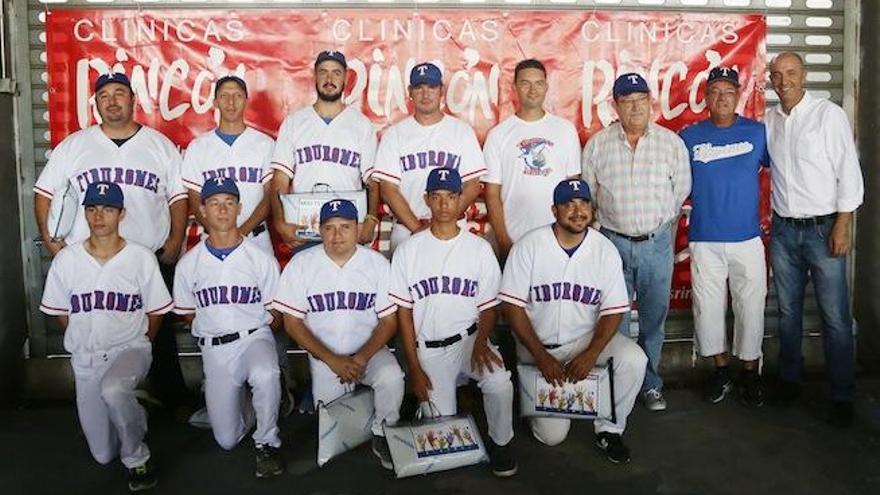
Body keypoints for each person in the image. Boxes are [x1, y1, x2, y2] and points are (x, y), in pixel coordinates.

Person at [34, 72, 192, 414]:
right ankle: (104, 400)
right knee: (95, 328)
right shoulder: (75, 145)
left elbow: (179, 196)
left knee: (158, 332)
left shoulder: (158, 144)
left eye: (120, 93)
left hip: (147, 256)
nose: (112, 100)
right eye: (104, 95)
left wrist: (176, 239)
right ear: (96, 103)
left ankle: (170, 399)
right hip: (91, 257)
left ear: (133, 100)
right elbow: (44, 193)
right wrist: (52, 243)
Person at [500, 179, 647, 464]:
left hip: (584, 340)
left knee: (633, 359)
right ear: (554, 210)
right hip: (537, 345)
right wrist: (541, 356)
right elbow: (512, 307)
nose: (578, 211)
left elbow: (614, 310)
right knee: (552, 437)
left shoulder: (604, 249)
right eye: (569, 204)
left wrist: (591, 354)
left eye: (583, 204)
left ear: (592, 209)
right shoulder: (529, 246)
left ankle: (610, 430)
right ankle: (532, 394)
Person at [40, 181, 171, 492]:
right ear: (85, 213)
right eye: (92, 208)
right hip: (86, 360)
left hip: (129, 349)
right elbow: (61, 312)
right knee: (102, 454)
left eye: (108, 209)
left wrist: (143, 344)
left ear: (121, 214)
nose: (99, 216)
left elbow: (156, 311)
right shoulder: (67, 259)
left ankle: (138, 458)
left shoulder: (140, 257)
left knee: (114, 389)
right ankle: (134, 409)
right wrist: (82, 338)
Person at [389, 167, 517, 477]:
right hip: (428, 349)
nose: (445, 204)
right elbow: (402, 313)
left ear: (461, 200)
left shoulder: (478, 248)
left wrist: (482, 341)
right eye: (437, 197)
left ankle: (501, 442)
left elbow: (489, 308)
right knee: (441, 438)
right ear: (427, 200)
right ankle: (435, 408)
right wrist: (414, 369)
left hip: (470, 338)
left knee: (499, 381)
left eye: (451, 196)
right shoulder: (408, 251)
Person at [181, 74, 294, 419]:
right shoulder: (200, 147)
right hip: (213, 245)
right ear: (214, 102)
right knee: (217, 315)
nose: (230, 102)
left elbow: (269, 196)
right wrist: (220, 232)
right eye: (224, 96)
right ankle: (220, 393)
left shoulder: (263, 144)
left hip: (255, 240)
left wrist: (240, 231)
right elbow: (193, 196)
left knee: (268, 318)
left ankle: (280, 392)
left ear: (246, 102)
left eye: (237, 96)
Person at [582, 73, 691, 411]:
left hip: (656, 244)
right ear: (615, 105)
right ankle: (618, 384)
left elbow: (681, 191)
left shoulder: (671, 143)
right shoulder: (598, 145)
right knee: (613, 318)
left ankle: (651, 385)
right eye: (626, 101)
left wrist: (657, 226)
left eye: (640, 100)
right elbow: (590, 194)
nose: (634, 107)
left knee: (653, 319)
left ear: (650, 102)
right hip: (612, 243)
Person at [766, 52, 864, 426]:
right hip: (784, 230)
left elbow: (848, 174)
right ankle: (790, 380)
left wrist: (843, 224)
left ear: (804, 75)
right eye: (776, 74)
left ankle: (841, 395)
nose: (783, 80)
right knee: (788, 312)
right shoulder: (770, 120)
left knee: (836, 316)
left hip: (823, 230)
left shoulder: (828, 115)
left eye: (791, 73)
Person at [274, 199, 404, 470]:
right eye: (329, 228)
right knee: (333, 434)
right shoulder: (301, 264)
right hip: (325, 355)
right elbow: (292, 324)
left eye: (345, 227)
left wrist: (361, 358)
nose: (337, 235)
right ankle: (362, 410)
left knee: (392, 377)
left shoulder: (377, 263)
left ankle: (383, 432)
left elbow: (389, 321)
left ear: (358, 229)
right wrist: (333, 360)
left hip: (369, 351)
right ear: (319, 230)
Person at [172, 178, 284, 478]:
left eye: (229, 203)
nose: (222, 210)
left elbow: (276, 314)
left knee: (266, 373)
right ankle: (246, 404)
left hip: (254, 337)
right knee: (226, 440)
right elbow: (185, 314)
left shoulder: (260, 259)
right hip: (215, 348)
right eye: (214, 203)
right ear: (202, 211)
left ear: (239, 209)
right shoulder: (188, 264)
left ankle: (267, 443)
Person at [679, 67, 769, 407]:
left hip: (747, 237)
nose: (722, 98)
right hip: (705, 237)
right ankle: (720, 370)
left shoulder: (758, 133)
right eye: (715, 91)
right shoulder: (689, 136)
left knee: (751, 306)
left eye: (728, 92)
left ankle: (749, 372)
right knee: (708, 308)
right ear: (705, 97)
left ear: (738, 96)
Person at [269, 50, 380, 250]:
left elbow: (372, 181)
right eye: (323, 72)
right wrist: (280, 222)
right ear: (315, 76)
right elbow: (279, 180)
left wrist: (371, 218)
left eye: (336, 73)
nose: (329, 79)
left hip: (346, 224)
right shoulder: (294, 122)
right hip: (306, 224)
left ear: (346, 77)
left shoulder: (362, 125)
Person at [373, 62, 486, 251]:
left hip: (454, 230)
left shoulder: (461, 131)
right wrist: (419, 229)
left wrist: (442, 226)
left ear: (441, 90)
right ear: (410, 91)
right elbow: (388, 190)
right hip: (407, 231)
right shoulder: (395, 134)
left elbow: (472, 186)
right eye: (419, 87)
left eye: (431, 87)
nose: (425, 94)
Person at [482, 59, 581, 261]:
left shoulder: (565, 130)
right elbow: (492, 194)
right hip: (514, 239)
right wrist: (503, 241)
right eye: (525, 83)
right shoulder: (499, 134)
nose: (532, 90)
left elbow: (573, 188)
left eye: (538, 83)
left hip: (557, 240)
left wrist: (570, 238)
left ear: (546, 87)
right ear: (515, 87)